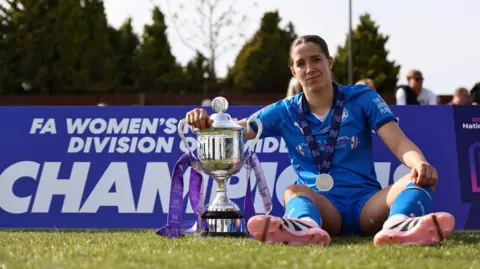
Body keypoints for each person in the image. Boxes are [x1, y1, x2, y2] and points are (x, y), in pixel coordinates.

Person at [185, 35, 455, 247]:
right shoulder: (285, 110)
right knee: (293, 191)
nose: (309, 68)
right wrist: (209, 122)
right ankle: (303, 227)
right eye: (301, 63)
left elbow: (398, 142)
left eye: (316, 60)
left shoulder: (361, 97)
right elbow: (240, 129)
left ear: (330, 62)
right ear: (293, 71)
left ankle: (399, 225)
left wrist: (418, 162)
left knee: (420, 177)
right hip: (325, 212)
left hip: (368, 207)